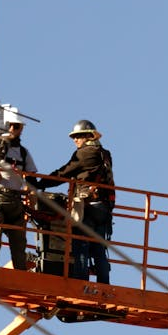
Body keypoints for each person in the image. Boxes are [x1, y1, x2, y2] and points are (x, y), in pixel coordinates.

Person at [48, 119, 115, 284]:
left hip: (88, 207)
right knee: (99, 248)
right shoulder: (104, 153)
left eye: (78, 136)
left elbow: (64, 172)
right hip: (103, 207)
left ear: (87, 136)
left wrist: (38, 182)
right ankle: (103, 285)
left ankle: (81, 284)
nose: (75, 140)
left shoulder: (85, 153)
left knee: (81, 247)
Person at [0, 106, 40, 270]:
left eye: (17, 126)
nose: (13, 129)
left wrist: (32, 192)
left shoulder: (23, 153)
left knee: (19, 240)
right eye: (11, 125)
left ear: (21, 129)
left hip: (15, 200)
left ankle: (20, 272)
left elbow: (32, 177)